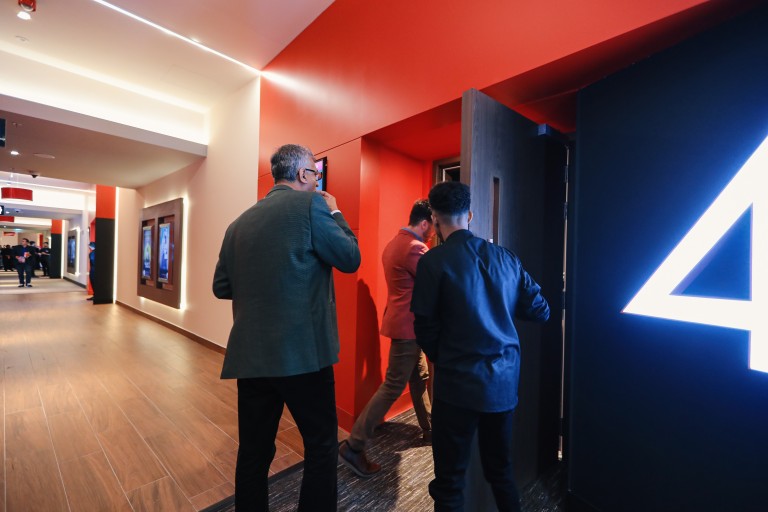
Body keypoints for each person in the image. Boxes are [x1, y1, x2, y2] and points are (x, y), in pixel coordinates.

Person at [212, 143, 361, 511]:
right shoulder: (312, 206)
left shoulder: (238, 224)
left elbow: (221, 287)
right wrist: (335, 210)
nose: (316, 181)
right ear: (302, 174)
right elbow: (349, 257)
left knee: (254, 452)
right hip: (303, 354)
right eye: (315, 174)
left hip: (251, 357)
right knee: (321, 445)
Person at [411, 181, 550, 512]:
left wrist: (444, 358)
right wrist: (503, 303)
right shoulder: (506, 258)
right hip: (501, 386)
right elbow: (540, 310)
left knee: (449, 482)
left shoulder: (433, 262)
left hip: (456, 387)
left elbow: (424, 328)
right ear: (470, 215)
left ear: (435, 218)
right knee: (501, 473)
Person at [339, 199, 434, 477]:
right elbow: (436, 281)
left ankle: (430, 430)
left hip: (402, 323)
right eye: (434, 225)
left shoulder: (395, 242)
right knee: (393, 386)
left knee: (419, 376)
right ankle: (354, 446)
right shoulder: (415, 247)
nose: (434, 232)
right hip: (409, 327)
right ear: (425, 223)